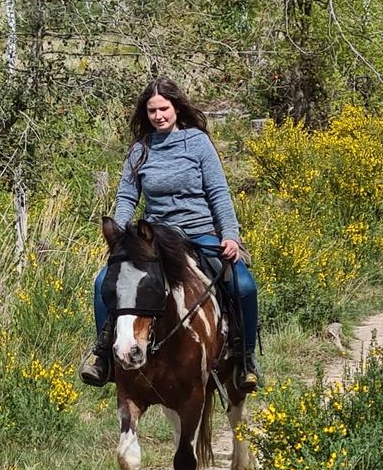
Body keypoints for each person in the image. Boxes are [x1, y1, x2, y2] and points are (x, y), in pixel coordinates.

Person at [79, 76, 261, 390]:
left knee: (243, 286)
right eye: (152, 111)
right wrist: (121, 237)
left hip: (200, 232)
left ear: (176, 107)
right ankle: (104, 355)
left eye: (164, 109)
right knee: (102, 283)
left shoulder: (198, 143)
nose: (158, 116)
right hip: (156, 238)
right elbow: (126, 197)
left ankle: (244, 358)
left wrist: (229, 235)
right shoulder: (140, 149)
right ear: (145, 114)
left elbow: (218, 193)